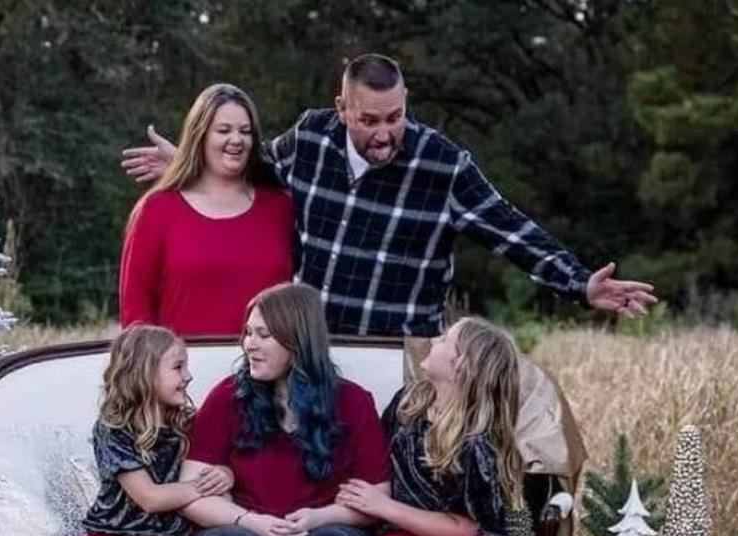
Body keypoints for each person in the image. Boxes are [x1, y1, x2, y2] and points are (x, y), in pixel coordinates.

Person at [120, 54, 658, 377]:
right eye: (369, 120)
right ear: (341, 110)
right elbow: (255, 169)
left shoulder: (440, 164)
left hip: (404, 357)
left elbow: (509, 228)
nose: (384, 133)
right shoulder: (310, 139)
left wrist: (580, 283)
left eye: (396, 117)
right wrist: (192, 164)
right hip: (317, 354)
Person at [178, 283, 391, 536]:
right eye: (248, 333)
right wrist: (252, 522)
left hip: (323, 526)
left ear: (298, 341)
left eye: (263, 334)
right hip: (243, 525)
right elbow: (188, 493)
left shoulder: (353, 402)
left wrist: (317, 518)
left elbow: (378, 496)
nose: (249, 345)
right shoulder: (228, 396)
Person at [336, 317, 535, 536]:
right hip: (400, 528)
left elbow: (469, 529)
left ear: (463, 366)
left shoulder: (477, 444)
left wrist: (385, 507)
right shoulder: (409, 403)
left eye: (445, 340)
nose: (433, 340)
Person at [119, 84, 293, 336]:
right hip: (186, 369)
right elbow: (135, 314)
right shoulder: (157, 209)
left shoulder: (280, 207)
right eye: (223, 130)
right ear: (200, 135)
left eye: (245, 131)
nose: (236, 139)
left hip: (266, 371)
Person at [83, 325, 234, 536]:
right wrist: (205, 487)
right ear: (145, 373)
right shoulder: (114, 428)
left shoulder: (188, 422)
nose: (188, 376)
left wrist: (224, 474)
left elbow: (211, 461)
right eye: (178, 367)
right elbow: (149, 498)